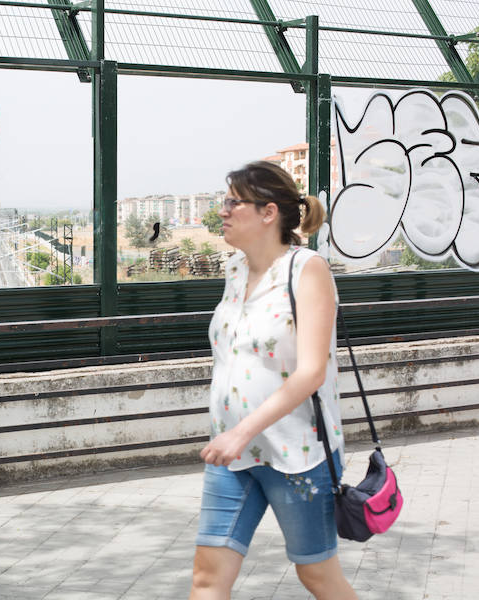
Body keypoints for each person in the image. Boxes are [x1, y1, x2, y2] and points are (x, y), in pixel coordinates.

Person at [190, 161, 357, 600]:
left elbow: (311, 371)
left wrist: (240, 432)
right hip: (234, 456)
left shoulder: (307, 269)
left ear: (268, 212)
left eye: (232, 202)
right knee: (207, 579)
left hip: (297, 455)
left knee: (318, 575)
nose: (221, 211)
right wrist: (233, 435)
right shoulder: (235, 269)